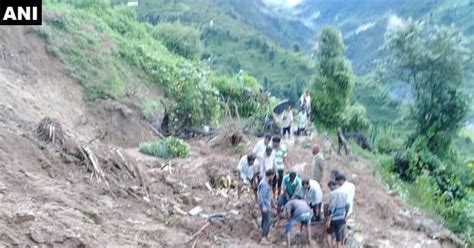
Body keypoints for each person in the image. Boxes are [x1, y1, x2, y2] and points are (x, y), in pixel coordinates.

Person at [326, 180, 349, 248]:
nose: (330, 189)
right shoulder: (345, 192)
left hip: (333, 218)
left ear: (332, 185)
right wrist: (345, 216)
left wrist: (328, 220)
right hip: (341, 217)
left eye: (330, 187)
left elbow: (331, 208)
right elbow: (347, 205)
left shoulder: (332, 193)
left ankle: (330, 246)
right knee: (338, 235)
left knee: (329, 233)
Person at [258, 169, 275, 245]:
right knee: (267, 221)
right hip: (265, 206)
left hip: (266, 205)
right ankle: (263, 238)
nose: (274, 177)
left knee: (265, 220)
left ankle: (264, 236)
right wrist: (263, 206)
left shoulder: (264, 182)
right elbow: (261, 196)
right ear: (271, 175)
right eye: (273, 176)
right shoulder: (264, 184)